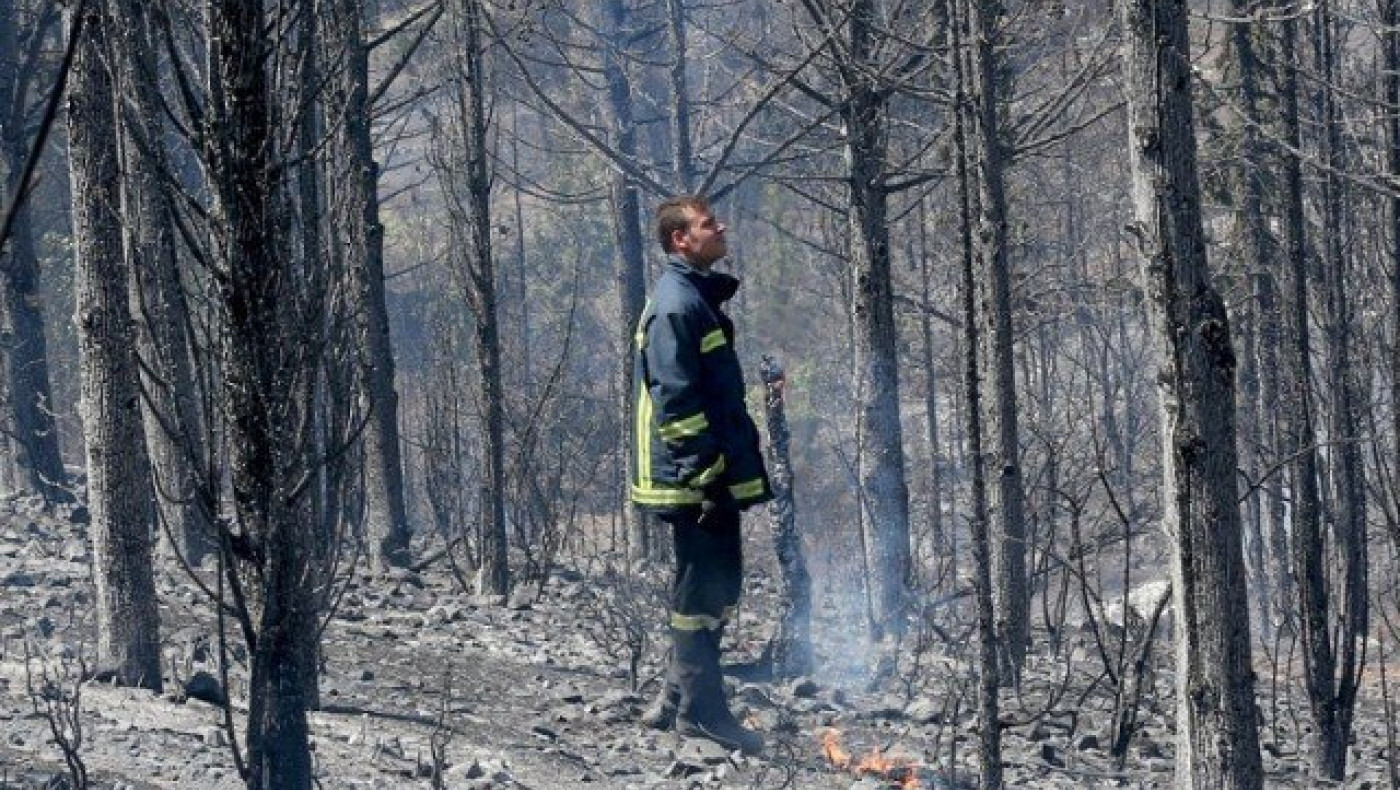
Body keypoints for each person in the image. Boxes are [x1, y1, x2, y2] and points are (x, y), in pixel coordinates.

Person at [630, 195, 772, 755]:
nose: (721, 228)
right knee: (705, 591)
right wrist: (709, 475)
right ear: (680, 240)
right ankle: (704, 715)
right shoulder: (676, 305)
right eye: (709, 224)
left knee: (706, 586)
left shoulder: (691, 298)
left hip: (699, 476)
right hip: (692, 480)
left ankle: (674, 699)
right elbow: (677, 399)